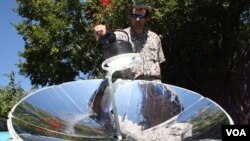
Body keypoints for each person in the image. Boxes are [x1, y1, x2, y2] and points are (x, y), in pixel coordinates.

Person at [94, 2, 165, 82]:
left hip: (154, 86)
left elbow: (159, 63)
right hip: (131, 86)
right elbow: (104, 41)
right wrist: (100, 33)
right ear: (131, 17)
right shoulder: (122, 35)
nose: (137, 19)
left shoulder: (155, 38)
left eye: (141, 16)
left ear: (146, 18)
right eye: (135, 16)